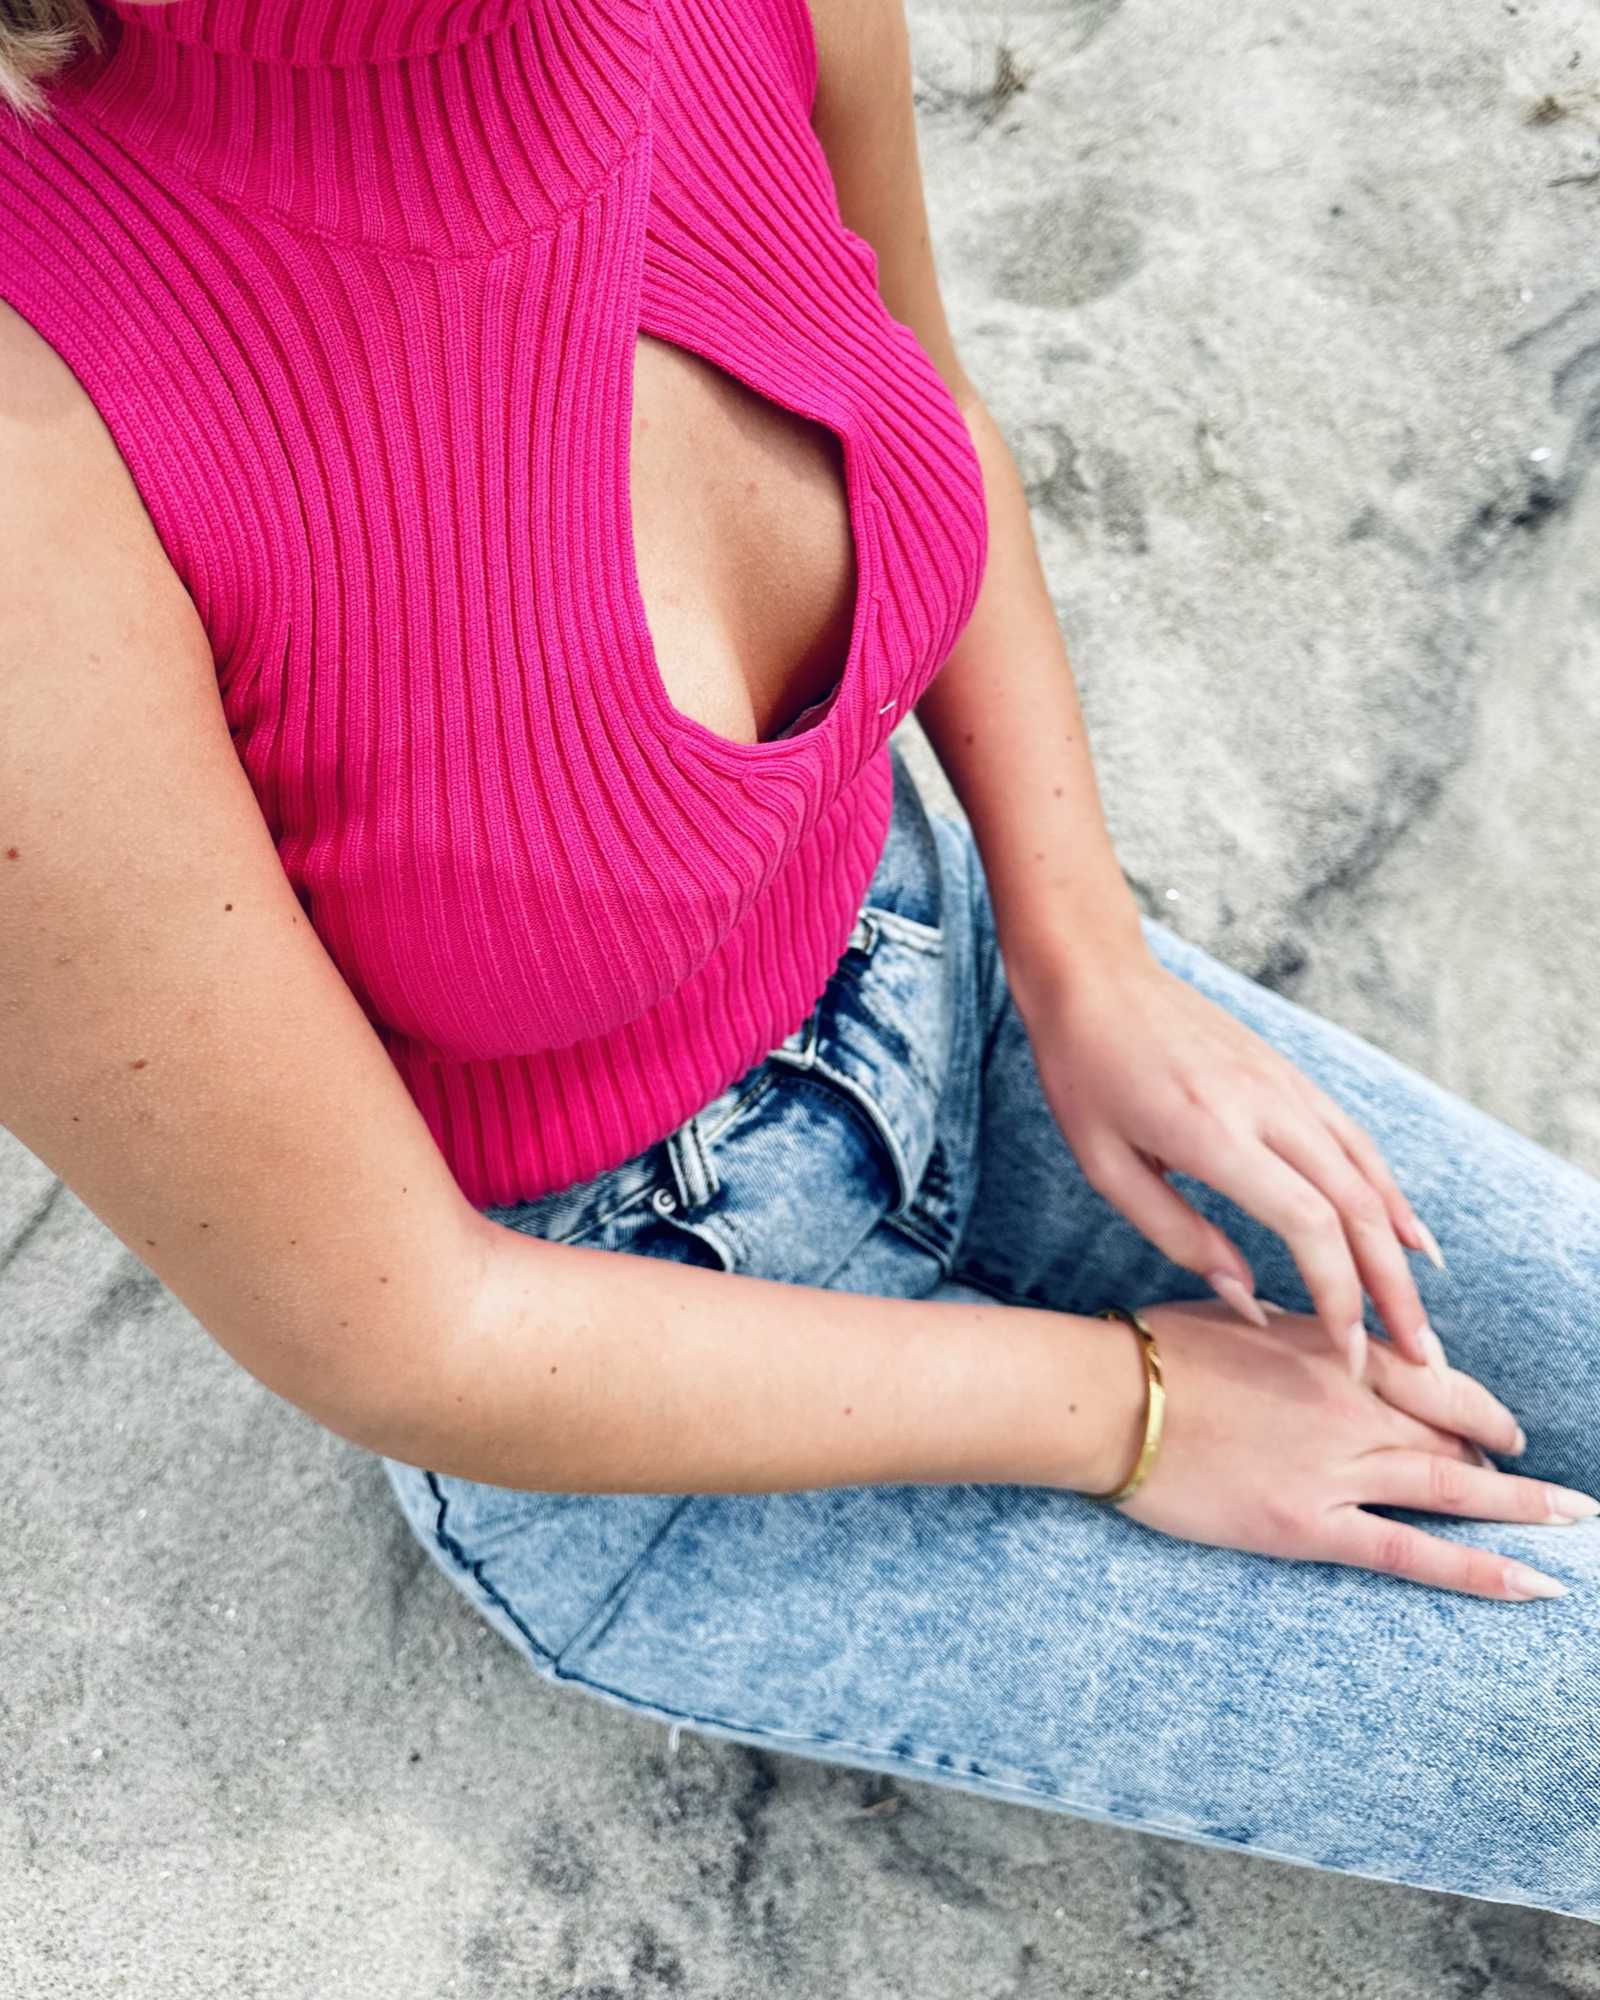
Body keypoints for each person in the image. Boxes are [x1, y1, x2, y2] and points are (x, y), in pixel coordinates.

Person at [1, 0, 1596, 1926]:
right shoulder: (38, 412)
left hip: (968, 991)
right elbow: (398, 1325)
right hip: (632, 1395)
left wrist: (1083, 944)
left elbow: (917, 377)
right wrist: (1131, 1408)